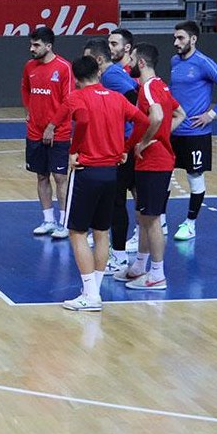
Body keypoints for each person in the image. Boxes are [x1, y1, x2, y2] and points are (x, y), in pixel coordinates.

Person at [44, 56, 149, 312]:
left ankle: (90, 295)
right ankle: (95, 292)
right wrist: (126, 148)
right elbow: (144, 121)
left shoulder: (76, 97)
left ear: (76, 78)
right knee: (102, 232)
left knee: (77, 232)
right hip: (111, 173)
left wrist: (74, 151)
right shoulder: (117, 98)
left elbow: (79, 121)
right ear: (99, 73)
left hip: (86, 172)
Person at [116, 43, 185, 291]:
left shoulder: (148, 88)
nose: (128, 63)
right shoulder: (162, 86)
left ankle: (157, 275)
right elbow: (180, 114)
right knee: (144, 216)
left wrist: (145, 142)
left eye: (132, 59)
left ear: (141, 63)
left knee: (153, 219)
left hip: (155, 162)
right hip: (151, 161)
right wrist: (162, 135)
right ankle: (139, 266)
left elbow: (156, 116)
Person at [168, 20, 217, 241]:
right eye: (175, 38)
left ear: (193, 39)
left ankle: (190, 224)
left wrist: (211, 114)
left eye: (180, 38)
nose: (176, 42)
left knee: (195, 177)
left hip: (196, 134)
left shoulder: (204, 63)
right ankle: (159, 222)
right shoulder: (174, 61)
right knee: (163, 175)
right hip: (173, 131)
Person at [83, 37, 139, 274]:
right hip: (125, 144)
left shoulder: (110, 76)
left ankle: (119, 256)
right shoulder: (115, 73)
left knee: (117, 202)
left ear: (97, 60)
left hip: (123, 146)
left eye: (87, 59)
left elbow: (133, 96)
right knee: (124, 199)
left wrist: (121, 121)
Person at [21, 27, 73, 239]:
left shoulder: (64, 67)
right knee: (41, 176)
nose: (32, 49)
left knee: (60, 177)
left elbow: (68, 101)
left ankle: (65, 223)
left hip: (58, 132)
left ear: (49, 46)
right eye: (31, 44)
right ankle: (48, 220)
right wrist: (28, 110)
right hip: (34, 131)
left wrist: (52, 126)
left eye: (36, 45)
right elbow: (25, 89)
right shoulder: (29, 66)